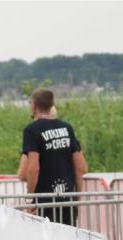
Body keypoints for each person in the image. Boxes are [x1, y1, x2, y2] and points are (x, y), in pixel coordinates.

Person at [19, 89, 88, 226]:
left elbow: (33, 168)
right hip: (67, 200)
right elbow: (80, 167)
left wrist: (30, 198)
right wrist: (76, 199)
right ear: (52, 105)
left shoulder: (32, 130)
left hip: (45, 202)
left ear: (34, 105)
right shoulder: (67, 128)